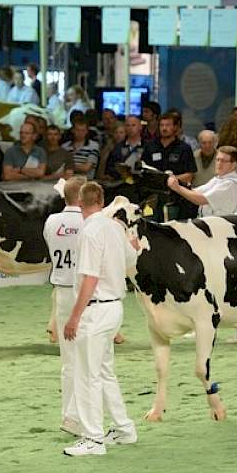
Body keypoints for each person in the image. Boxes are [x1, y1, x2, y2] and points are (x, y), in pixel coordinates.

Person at [61, 182, 139, 456]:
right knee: (104, 372)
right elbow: (134, 256)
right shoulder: (114, 227)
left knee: (87, 375)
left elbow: (90, 279)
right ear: (102, 200)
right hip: (114, 307)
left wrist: (73, 317)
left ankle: (93, 439)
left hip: (96, 310)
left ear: (80, 203)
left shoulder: (90, 231)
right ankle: (123, 428)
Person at [42, 175, 87, 437]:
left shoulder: (51, 221)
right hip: (84, 293)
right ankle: (76, 416)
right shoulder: (90, 223)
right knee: (88, 360)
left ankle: (68, 414)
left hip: (61, 292)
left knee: (68, 359)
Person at [142, 112, 196, 219]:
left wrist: (169, 180)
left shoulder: (184, 148)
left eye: (168, 125)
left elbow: (190, 175)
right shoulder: (150, 146)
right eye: (162, 125)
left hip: (177, 196)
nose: (164, 128)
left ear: (175, 127)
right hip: (152, 195)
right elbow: (143, 169)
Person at [167, 146, 237, 217]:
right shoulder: (218, 179)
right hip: (211, 226)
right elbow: (195, 192)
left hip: (222, 229)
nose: (219, 164)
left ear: (234, 165)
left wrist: (178, 187)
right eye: (218, 160)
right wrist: (177, 183)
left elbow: (201, 199)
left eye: (224, 161)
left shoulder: (230, 184)